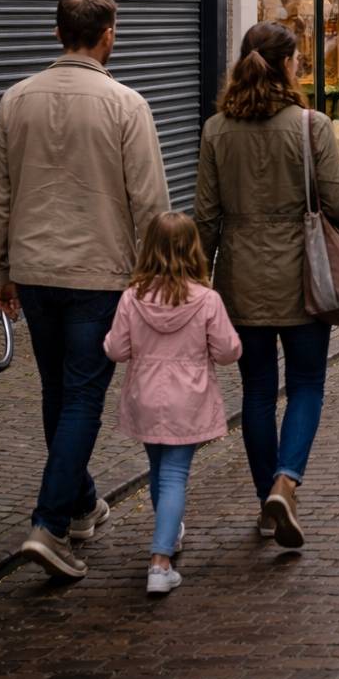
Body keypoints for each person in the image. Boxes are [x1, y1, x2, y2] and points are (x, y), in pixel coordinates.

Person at [0, 0, 169, 581]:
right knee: (83, 397)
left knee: (57, 392)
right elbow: (149, 199)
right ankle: (48, 524)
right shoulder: (126, 104)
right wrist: (159, 271)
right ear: (107, 34)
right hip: (99, 274)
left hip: (35, 272)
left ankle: (83, 502)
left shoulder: (14, 101)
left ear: (57, 31)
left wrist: (1, 270)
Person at [195, 22, 339, 549]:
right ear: (289, 64)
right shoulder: (311, 125)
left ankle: (267, 499)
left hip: (240, 282)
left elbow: (205, 218)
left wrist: (198, 279)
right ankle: (286, 481)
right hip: (305, 279)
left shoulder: (217, 129)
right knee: (307, 384)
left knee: (259, 394)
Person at [102, 212, 241, 595]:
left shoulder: (132, 297)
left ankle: (170, 535)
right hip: (189, 398)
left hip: (145, 395)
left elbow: (116, 349)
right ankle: (160, 562)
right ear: (193, 249)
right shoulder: (208, 300)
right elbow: (229, 350)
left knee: (158, 470)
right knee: (175, 475)